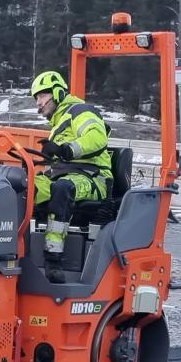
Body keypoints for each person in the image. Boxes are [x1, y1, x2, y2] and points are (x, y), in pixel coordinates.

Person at [30, 70, 113, 283]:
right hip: (65, 176)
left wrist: (65, 149)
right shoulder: (58, 125)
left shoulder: (81, 111)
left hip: (93, 178)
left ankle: (53, 259)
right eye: (36, 98)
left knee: (62, 188)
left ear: (58, 92)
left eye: (42, 95)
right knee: (24, 186)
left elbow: (96, 138)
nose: (38, 103)